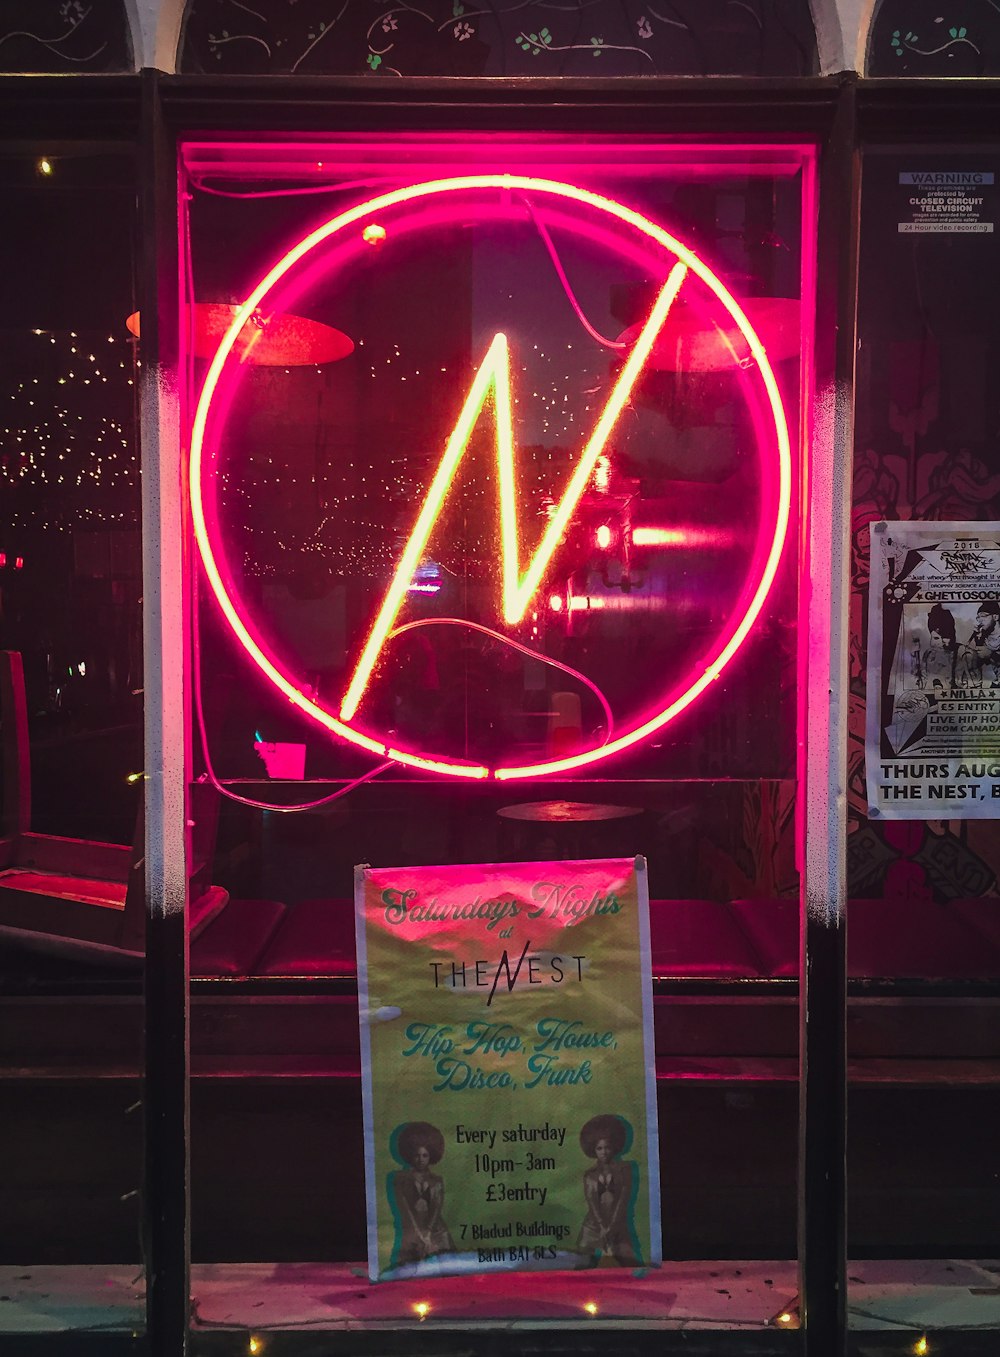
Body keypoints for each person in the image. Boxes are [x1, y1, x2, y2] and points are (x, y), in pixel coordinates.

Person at [576, 1114, 640, 1267]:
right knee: (581, 1268)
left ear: (614, 1148)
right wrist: (602, 1227)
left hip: (618, 1226)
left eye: (607, 1147)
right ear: (594, 1150)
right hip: (593, 1227)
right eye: (599, 1148)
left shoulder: (626, 1170)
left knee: (633, 1267)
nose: (603, 1152)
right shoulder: (589, 1176)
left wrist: (611, 1227)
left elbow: (623, 1201)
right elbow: (592, 1203)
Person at [391, 1122, 455, 1265]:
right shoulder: (400, 1180)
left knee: (450, 1271)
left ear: (431, 1156)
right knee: (405, 1272)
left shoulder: (437, 1181)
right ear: (409, 1155)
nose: (421, 1159)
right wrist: (419, 1235)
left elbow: (436, 1210)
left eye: (425, 1155)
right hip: (412, 1233)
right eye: (417, 1155)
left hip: (437, 1233)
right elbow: (405, 1211)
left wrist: (428, 1233)